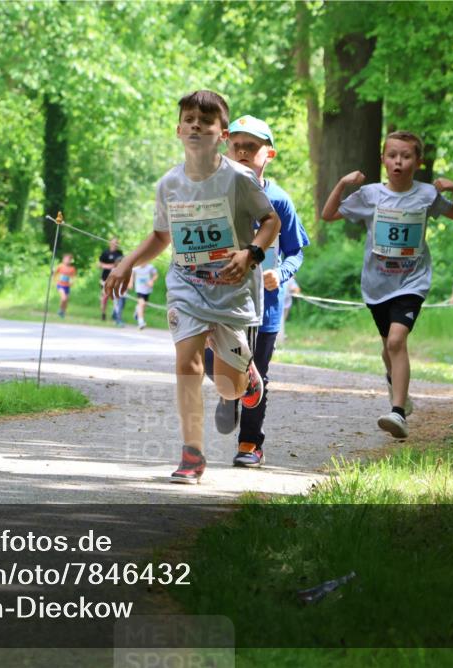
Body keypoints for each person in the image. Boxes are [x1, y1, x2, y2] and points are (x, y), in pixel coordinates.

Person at [103, 90, 280, 484]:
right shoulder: (169, 184)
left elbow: (271, 223)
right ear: (179, 130)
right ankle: (192, 454)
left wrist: (250, 253)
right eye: (190, 119)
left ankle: (247, 374)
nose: (197, 124)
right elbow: (161, 236)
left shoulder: (239, 179)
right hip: (186, 286)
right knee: (187, 363)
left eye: (206, 120)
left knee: (230, 389)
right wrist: (127, 263)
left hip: (231, 290)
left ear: (222, 134)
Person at [321, 130, 453, 439]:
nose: (398, 162)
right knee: (387, 346)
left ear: (418, 161)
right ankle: (397, 387)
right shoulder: (370, 195)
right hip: (376, 284)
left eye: (405, 156)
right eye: (392, 156)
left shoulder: (427, 194)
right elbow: (328, 215)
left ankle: (398, 412)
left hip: (412, 281)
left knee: (396, 342)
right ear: (383, 160)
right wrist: (342, 184)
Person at [204, 115, 310, 468]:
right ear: (225, 147)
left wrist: (280, 273)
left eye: (253, 146)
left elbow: (296, 250)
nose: (244, 152)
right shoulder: (212, 191)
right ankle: (228, 387)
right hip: (219, 300)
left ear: (270, 153)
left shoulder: (279, 200)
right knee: (212, 360)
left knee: (257, 374)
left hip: (264, 306)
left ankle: (249, 443)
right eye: (237, 145)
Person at [97, 237, 124, 320]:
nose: (115, 244)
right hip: (105, 279)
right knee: (105, 297)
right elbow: (99, 264)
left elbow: (123, 264)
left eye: (117, 242)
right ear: (110, 243)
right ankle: (103, 313)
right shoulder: (105, 253)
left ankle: (115, 314)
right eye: (113, 242)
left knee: (116, 297)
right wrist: (110, 266)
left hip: (116, 279)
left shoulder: (120, 253)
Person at [131, 262, 158, 330]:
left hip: (147, 289)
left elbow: (155, 275)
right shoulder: (135, 268)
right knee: (142, 303)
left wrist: (152, 281)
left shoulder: (150, 267)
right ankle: (141, 322)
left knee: (143, 305)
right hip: (139, 289)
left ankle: (137, 311)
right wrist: (130, 283)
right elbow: (132, 275)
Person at [53, 253, 76, 318]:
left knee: (66, 300)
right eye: (65, 259)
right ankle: (60, 310)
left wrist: (72, 282)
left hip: (67, 286)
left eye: (68, 260)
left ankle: (63, 312)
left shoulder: (72, 268)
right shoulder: (60, 266)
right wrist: (54, 280)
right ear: (63, 260)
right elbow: (54, 273)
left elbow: (73, 277)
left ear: (71, 260)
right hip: (60, 285)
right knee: (63, 298)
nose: (66, 261)